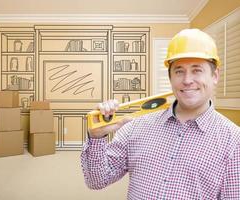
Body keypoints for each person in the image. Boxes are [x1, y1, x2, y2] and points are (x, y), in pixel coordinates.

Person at [81, 29, 240, 199]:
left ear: (214, 75)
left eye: (197, 70)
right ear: (170, 77)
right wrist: (97, 137)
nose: (187, 80)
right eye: (179, 71)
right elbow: (96, 181)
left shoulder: (233, 141)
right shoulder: (136, 126)